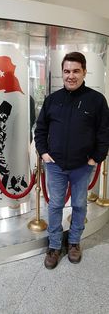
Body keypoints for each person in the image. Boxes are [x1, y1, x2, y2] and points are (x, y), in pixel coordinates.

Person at [34, 52, 109, 269]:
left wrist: (96, 158)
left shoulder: (96, 101)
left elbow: (104, 133)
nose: (71, 76)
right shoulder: (52, 100)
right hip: (55, 165)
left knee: (78, 205)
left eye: (76, 71)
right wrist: (43, 152)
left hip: (83, 166)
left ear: (84, 72)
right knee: (55, 205)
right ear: (62, 73)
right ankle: (55, 245)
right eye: (67, 71)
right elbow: (40, 130)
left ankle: (74, 242)